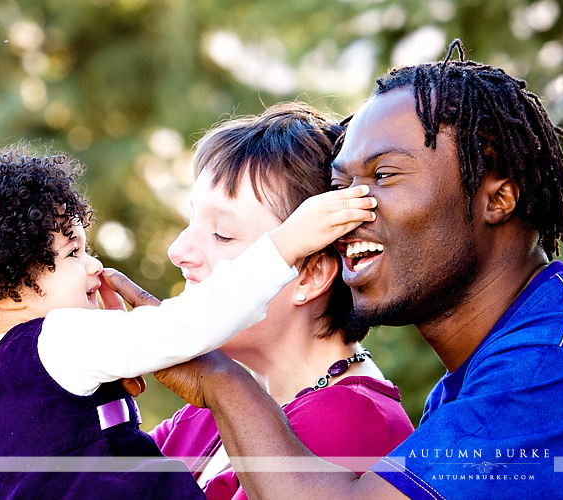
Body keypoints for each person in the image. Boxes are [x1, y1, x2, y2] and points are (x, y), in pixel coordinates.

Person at [115, 40, 563, 499]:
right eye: (339, 186)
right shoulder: (485, 377)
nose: (348, 213)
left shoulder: (556, 362)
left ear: (497, 198)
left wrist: (217, 378)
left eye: (384, 175)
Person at [0, 141, 377, 499]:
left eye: (223, 234)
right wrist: (284, 246)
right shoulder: (58, 341)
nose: (94, 266)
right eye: (71, 254)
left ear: (314, 276)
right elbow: (189, 324)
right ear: (4, 285)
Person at [148, 102, 414, 499]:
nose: (178, 250)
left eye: (222, 234)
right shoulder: (210, 406)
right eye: (190, 221)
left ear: (310, 274)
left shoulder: (351, 422)